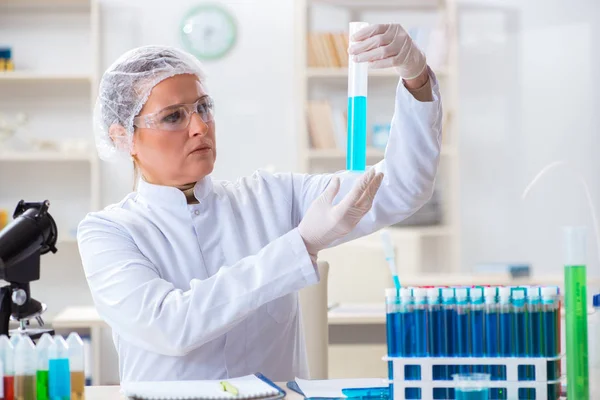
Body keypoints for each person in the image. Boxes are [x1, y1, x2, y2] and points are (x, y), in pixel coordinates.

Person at [77, 23, 442, 383]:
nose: (200, 126)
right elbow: (170, 326)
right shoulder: (109, 231)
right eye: (173, 116)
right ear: (124, 137)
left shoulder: (270, 197)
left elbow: (401, 187)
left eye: (204, 107)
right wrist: (299, 246)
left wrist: (416, 78)